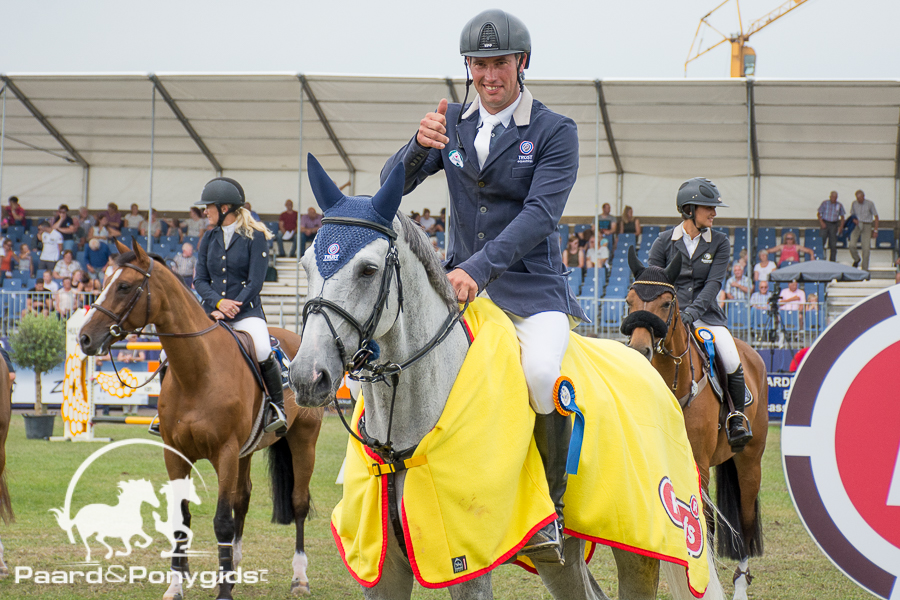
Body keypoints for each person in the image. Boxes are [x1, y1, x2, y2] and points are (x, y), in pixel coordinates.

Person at [380, 9, 585, 564]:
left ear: (521, 63)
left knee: (543, 376)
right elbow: (387, 189)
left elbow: (541, 214)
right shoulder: (452, 120)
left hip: (529, 289)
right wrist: (415, 148)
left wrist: (480, 268)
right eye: (479, 64)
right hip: (456, 285)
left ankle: (551, 509)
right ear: (467, 67)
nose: (489, 75)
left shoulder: (554, 130)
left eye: (499, 63)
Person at [648, 177, 752, 453]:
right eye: (709, 207)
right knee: (641, 354)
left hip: (707, 316)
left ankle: (735, 418)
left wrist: (692, 313)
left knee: (730, 356)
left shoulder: (719, 242)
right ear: (689, 210)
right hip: (670, 318)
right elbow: (654, 284)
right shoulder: (663, 242)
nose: (714, 213)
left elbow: (714, 284)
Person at [191, 177, 286, 437]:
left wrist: (233, 307)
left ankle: (276, 408)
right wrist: (218, 303)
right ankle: (165, 410)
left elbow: (256, 281)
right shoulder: (209, 238)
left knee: (264, 348)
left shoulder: (254, 238)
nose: (204, 211)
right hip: (211, 310)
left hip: (246, 312)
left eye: (208, 206)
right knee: (170, 353)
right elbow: (199, 280)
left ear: (224, 209)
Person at [848, 189, 879, 270]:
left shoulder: (870, 204)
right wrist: (854, 219)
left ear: (863, 197)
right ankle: (856, 259)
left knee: (866, 248)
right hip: (857, 225)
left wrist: (875, 230)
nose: (859, 200)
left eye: (860, 198)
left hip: (867, 225)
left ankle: (865, 269)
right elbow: (852, 214)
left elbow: (876, 216)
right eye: (857, 198)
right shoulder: (854, 203)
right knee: (851, 245)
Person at [817, 191, 845, 262]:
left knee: (833, 244)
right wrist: (821, 222)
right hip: (825, 223)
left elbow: (842, 217)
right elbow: (818, 213)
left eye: (835, 198)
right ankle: (820, 259)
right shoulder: (825, 203)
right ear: (830, 197)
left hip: (834, 224)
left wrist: (841, 227)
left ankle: (832, 261)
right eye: (832, 197)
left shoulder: (839, 205)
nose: (834, 199)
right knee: (821, 242)